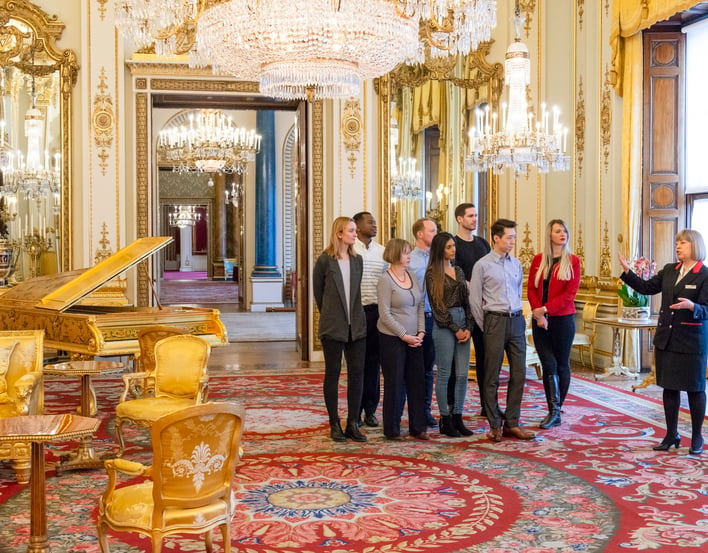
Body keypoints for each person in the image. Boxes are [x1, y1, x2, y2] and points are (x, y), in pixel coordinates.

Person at [618, 229, 708, 455]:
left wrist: (693, 307)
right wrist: (628, 272)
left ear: (695, 246)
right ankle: (671, 434)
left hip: (692, 342)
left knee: (695, 390)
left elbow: (707, 309)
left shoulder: (705, 275)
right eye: (677, 242)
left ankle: (696, 437)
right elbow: (647, 288)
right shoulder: (669, 270)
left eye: (684, 243)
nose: (678, 246)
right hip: (667, 339)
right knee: (669, 388)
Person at [470, 218, 536, 442]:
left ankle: (512, 423)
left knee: (519, 373)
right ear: (496, 238)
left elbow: (518, 293)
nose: (512, 242)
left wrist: (518, 319)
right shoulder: (482, 265)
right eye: (509, 237)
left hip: (516, 320)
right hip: (494, 321)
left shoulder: (516, 263)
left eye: (514, 237)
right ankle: (495, 424)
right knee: (491, 376)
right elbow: (474, 300)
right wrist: (486, 325)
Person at [312, 217, 367, 443]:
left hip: (357, 325)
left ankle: (353, 422)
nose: (356, 234)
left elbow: (355, 294)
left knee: (357, 374)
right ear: (339, 234)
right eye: (352, 231)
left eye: (355, 230)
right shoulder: (325, 260)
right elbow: (319, 293)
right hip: (333, 326)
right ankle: (334, 423)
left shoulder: (358, 260)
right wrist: (332, 315)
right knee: (332, 375)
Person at [527, 219, 581, 429]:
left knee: (561, 364)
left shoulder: (573, 261)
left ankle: (555, 410)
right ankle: (553, 410)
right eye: (558, 231)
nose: (563, 234)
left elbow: (570, 294)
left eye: (565, 231)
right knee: (547, 364)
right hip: (540, 320)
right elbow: (531, 289)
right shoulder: (539, 260)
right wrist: (538, 313)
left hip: (563, 320)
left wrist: (546, 309)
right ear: (550, 235)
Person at [377, 238, 429, 440]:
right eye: (406, 253)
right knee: (395, 383)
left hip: (415, 338)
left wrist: (421, 332)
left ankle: (418, 427)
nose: (409, 256)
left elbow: (419, 305)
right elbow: (385, 314)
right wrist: (404, 335)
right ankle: (392, 429)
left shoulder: (412, 277)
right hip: (393, 338)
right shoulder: (386, 280)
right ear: (395, 254)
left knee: (417, 382)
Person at [425, 232, 474, 437]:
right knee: (445, 373)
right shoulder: (432, 274)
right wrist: (456, 329)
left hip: (464, 321)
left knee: (462, 374)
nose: (453, 250)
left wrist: (469, 327)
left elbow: (467, 300)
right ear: (439, 250)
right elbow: (438, 308)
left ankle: (458, 416)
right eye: (448, 247)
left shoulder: (459, 271)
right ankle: (445, 418)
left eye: (454, 246)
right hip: (445, 326)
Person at [454, 203, 492, 417]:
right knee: (457, 362)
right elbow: (456, 274)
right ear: (460, 219)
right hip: (461, 307)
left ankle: (487, 406)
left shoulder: (483, 243)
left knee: (485, 359)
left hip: (485, 307)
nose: (474, 219)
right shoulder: (454, 244)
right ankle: (454, 409)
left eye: (476, 215)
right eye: (470, 216)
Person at [353, 211, 388, 428]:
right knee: (357, 365)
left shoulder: (382, 252)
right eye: (370, 221)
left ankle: (371, 411)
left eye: (375, 221)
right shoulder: (349, 249)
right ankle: (354, 413)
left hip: (377, 314)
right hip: (356, 314)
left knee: (374, 365)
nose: (374, 224)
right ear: (357, 226)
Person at [409, 217, 439, 427]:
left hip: (436, 319)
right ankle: (414, 412)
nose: (435, 234)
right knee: (413, 370)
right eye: (432, 231)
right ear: (420, 234)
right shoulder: (409, 259)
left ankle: (426, 410)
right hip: (415, 319)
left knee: (429, 369)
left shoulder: (439, 259)